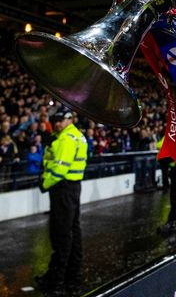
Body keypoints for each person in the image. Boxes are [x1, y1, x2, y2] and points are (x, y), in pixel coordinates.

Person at [35, 110, 88, 296]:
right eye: (55, 120)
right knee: (73, 231)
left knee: (61, 235)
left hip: (62, 189)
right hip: (72, 188)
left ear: (69, 120)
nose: (57, 123)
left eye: (60, 120)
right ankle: (71, 275)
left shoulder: (66, 139)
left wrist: (44, 183)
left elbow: (59, 169)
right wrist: (51, 145)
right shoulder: (76, 136)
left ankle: (55, 281)